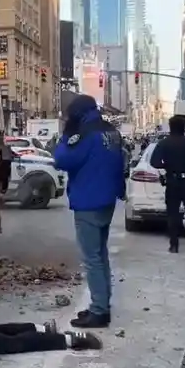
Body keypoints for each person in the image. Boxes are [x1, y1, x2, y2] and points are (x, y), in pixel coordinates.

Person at [53, 94, 126, 329]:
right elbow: (120, 163)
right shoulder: (110, 131)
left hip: (89, 201)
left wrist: (65, 135)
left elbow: (62, 160)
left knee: (92, 258)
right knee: (100, 254)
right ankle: (102, 303)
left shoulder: (84, 135)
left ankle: (99, 311)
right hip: (107, 200)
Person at [152, 115, 185, 253]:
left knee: (172, 214)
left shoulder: (164, 143)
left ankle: (174, 245)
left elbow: (154, 162)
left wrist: (167, 165)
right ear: (184, 127)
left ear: (170, 127)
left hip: (172, 182)